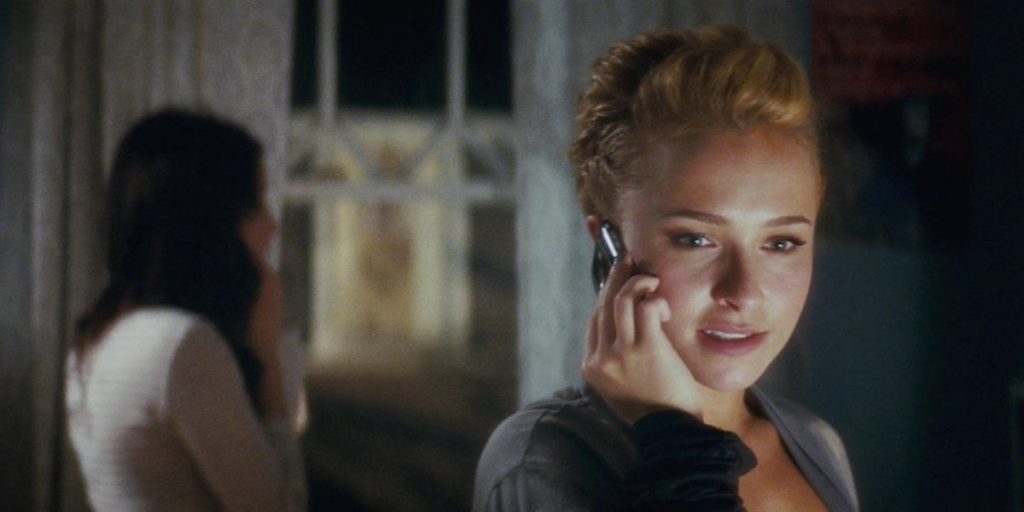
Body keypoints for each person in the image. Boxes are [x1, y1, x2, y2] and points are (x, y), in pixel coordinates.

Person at [473, 26, 859, 511]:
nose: (744, 292)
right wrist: (673, 441)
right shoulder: (544, 460)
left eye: (781, 243)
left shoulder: (817, 443)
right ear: (609, 249)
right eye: (695, 240)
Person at [66, 110, 306, 511]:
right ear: (205, 220)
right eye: (254, 205)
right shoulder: (181, 344)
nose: (272, 226)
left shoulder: (105, 327)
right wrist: (268, 356)